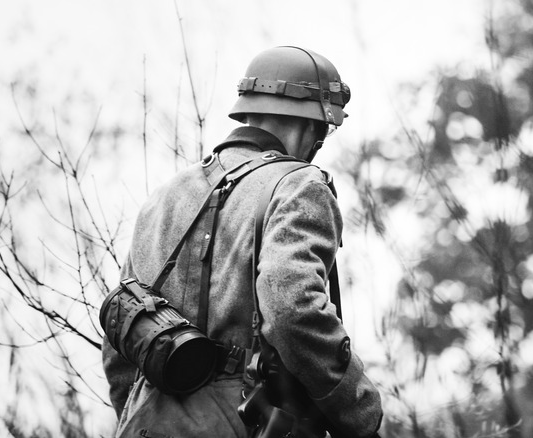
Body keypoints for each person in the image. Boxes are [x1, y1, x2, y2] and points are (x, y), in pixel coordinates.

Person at [102, 46, 383, 437]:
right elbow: (292, 309)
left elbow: (120, 344)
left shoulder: (163, 198)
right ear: (314, 126)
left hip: (142, 423)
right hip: (247, 422)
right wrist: (361, 413)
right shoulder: (299, 186)